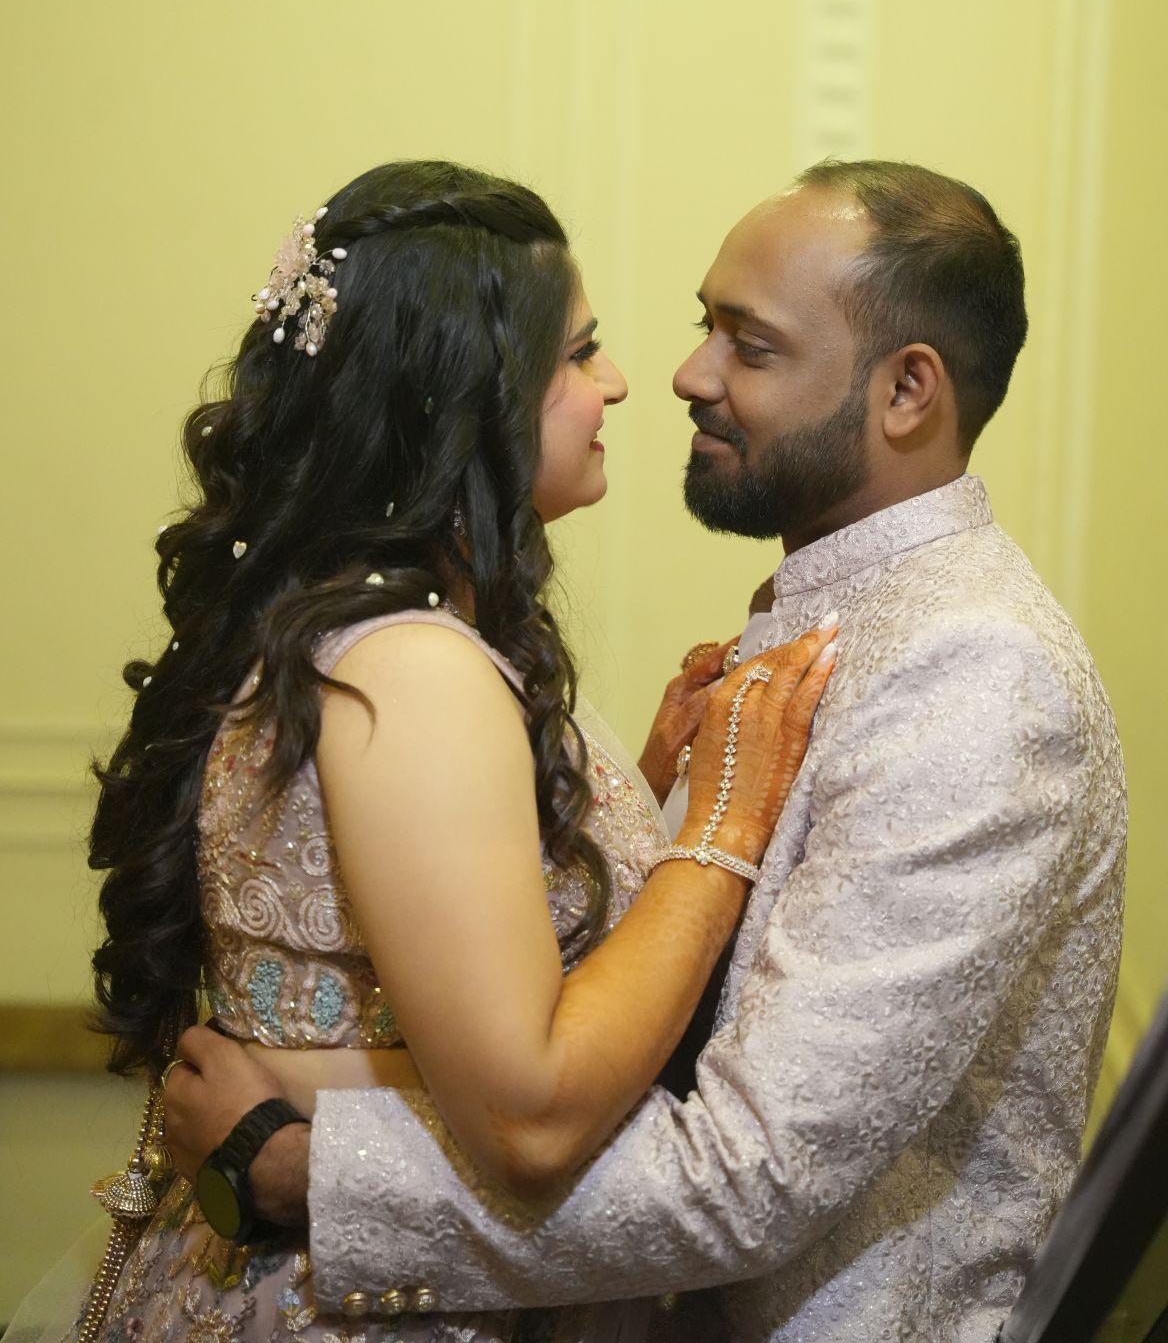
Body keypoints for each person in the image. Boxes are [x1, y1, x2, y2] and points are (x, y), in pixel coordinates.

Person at [166, 160, 1126, 1342]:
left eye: (748, 346)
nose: (681, 375)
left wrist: (300, 1169)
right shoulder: (839, 608)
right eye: (697, 327)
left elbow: (748, 1170)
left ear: (905, 391)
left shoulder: (974, 670)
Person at [54, 160, 837, 1343]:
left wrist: (624, 799)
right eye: (577, 354)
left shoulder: (349, 625)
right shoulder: (411, 668)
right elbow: (529, 1113)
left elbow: (402, 950)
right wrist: (724, 821)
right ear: (462, 402)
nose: (619, 384)